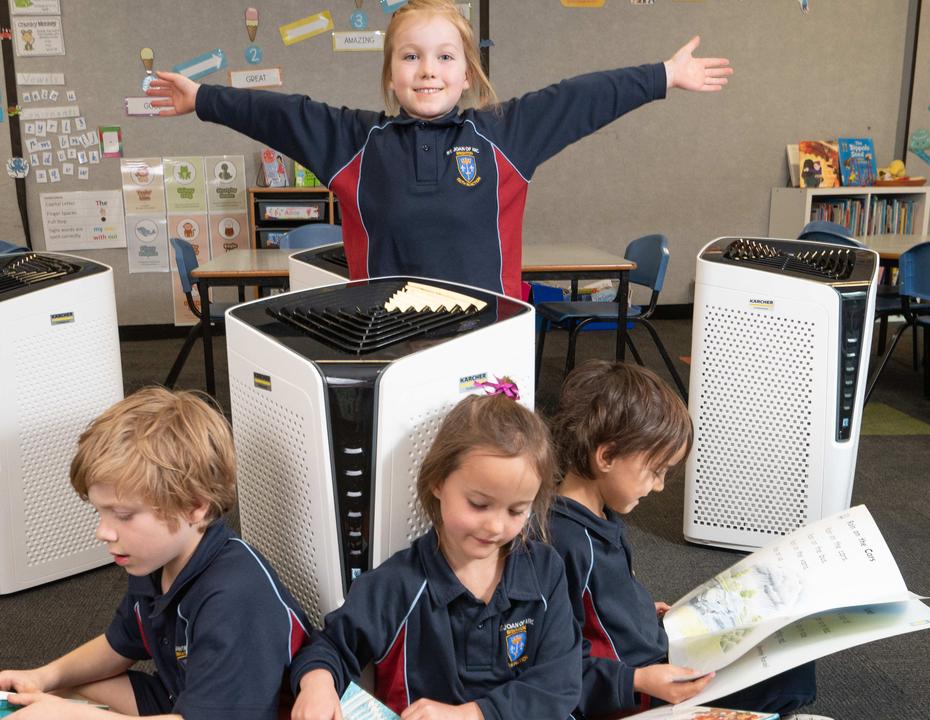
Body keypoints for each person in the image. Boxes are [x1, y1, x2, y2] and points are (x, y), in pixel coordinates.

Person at [145, 0, 732, 300]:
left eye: (445, 56)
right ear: (391, 73)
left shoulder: (504, 136)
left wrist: (662, 75)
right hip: (384, 336)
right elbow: (279, 112)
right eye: (411, 56)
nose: (428, 71)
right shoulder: (354, 142)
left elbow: (579, 97)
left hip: (488, 337)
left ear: (468, 71)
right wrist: (204, 98)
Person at [0, 388, 311, 719]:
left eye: (122, 515)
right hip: (182, 693)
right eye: (100, 512)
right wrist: (42, 676)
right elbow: (119, 644)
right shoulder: (156, 562)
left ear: (195, 507)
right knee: (50, 692)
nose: (103, 532)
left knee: (63, 710)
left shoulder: (235, 596)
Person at [548, 361, 825, 719]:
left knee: (789, 646)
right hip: (640, 691)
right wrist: (641, 678)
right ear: (607, 455)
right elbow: (559, 660)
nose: (660, 485)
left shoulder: (597, 516)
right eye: (655, 471)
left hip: (654, 659)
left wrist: (644, 613)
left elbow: (602, 609)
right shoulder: (566, 542)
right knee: (790, 677)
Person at [289, 393, 581, 720]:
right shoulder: (397, 585)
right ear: (438, 482)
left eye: (517, 510)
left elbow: (561, 682)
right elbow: (328, 648)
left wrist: (474, 714)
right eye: (479, 504)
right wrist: (318, 684)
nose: (496, 526)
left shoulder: (545, 570)